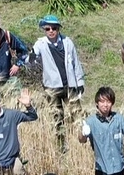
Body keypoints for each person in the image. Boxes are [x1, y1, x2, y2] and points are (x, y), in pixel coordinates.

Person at [31, 15, 85, 152]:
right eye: (47, 28)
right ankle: (61, 147)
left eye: (54, 28)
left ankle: (82, 143)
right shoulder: (40, 43)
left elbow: (76, 63)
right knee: (57, 119)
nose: (51, 31)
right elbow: (32, 56)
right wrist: (30, 58)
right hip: (51, 87)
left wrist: (80, 82)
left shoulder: (67, 42)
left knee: (77, 115)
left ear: (58, 29)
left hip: (69, 85)